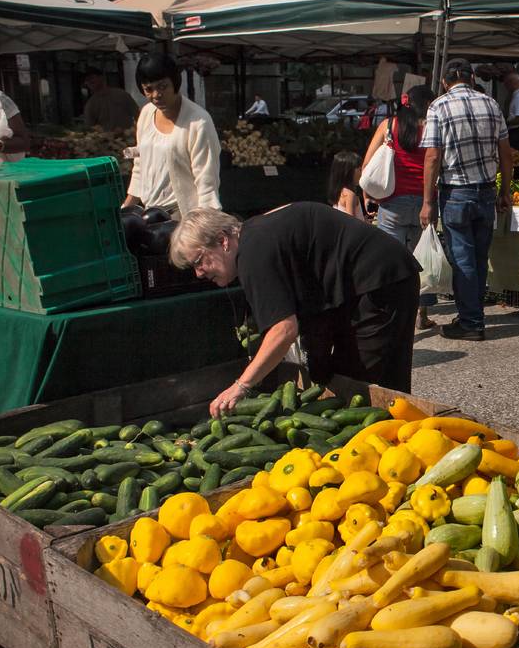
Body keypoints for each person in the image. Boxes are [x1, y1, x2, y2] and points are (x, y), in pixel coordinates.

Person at [169, 203, 421, 414]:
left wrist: (241, 386)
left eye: (199, 261)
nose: (198, 273)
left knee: (363, 387)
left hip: (380, 279)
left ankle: (401, 442)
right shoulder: (254, 237)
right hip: (372, 280)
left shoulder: (252, 255)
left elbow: (283, 330)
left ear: (222, 240)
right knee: (352, 379)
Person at [420, 59, 513, 341]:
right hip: (486, 192)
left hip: (456, 194)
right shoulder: (491, 104)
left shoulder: (438, 106)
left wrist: (427, 201)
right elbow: (506, 153)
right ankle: (473, 316)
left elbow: (432, 157)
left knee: (463, 260)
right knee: (479, 258)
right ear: (472, 78)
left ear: (444, 82)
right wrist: (505, 191)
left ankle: (471, 322)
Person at [361, 85, 437, 330]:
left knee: (389, 259)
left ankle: (390, 311)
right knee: (421, 260)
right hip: (425, 203)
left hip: (392, 203)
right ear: (428, 104)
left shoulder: (389, 126)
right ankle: (421, 313)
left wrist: (367, 194)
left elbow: (368, 163)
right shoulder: (433, 128)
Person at [123, 53, 221, 218]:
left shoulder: (198, 121)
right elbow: (141, 165)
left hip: (183, 215)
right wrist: (126, 207)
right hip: (150, 212)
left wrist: (203, 223)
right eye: (148, 89)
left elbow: (207, 179)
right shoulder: (146, 114)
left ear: (175, 82)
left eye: (162, 87)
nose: (156, 95)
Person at [327, 150, 366, 221]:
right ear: (349, 172)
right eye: (360, 170)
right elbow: (351, 222)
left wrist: (365, 220)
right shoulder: (350, 195)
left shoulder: (340, 192)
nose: (362, 173)